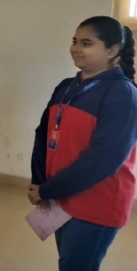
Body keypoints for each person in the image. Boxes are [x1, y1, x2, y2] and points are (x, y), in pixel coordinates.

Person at [29, 16, 137, 271]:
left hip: (97, 202)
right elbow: (43, 134)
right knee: (69, 263)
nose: (76, 48)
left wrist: (48, 190)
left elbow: (104, 160)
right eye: (75, 41)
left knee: (77, 266)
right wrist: (39, 180)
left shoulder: (122, 94)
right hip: (61, 196)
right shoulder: (67, 86)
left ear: (112, 51)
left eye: (87, 43)